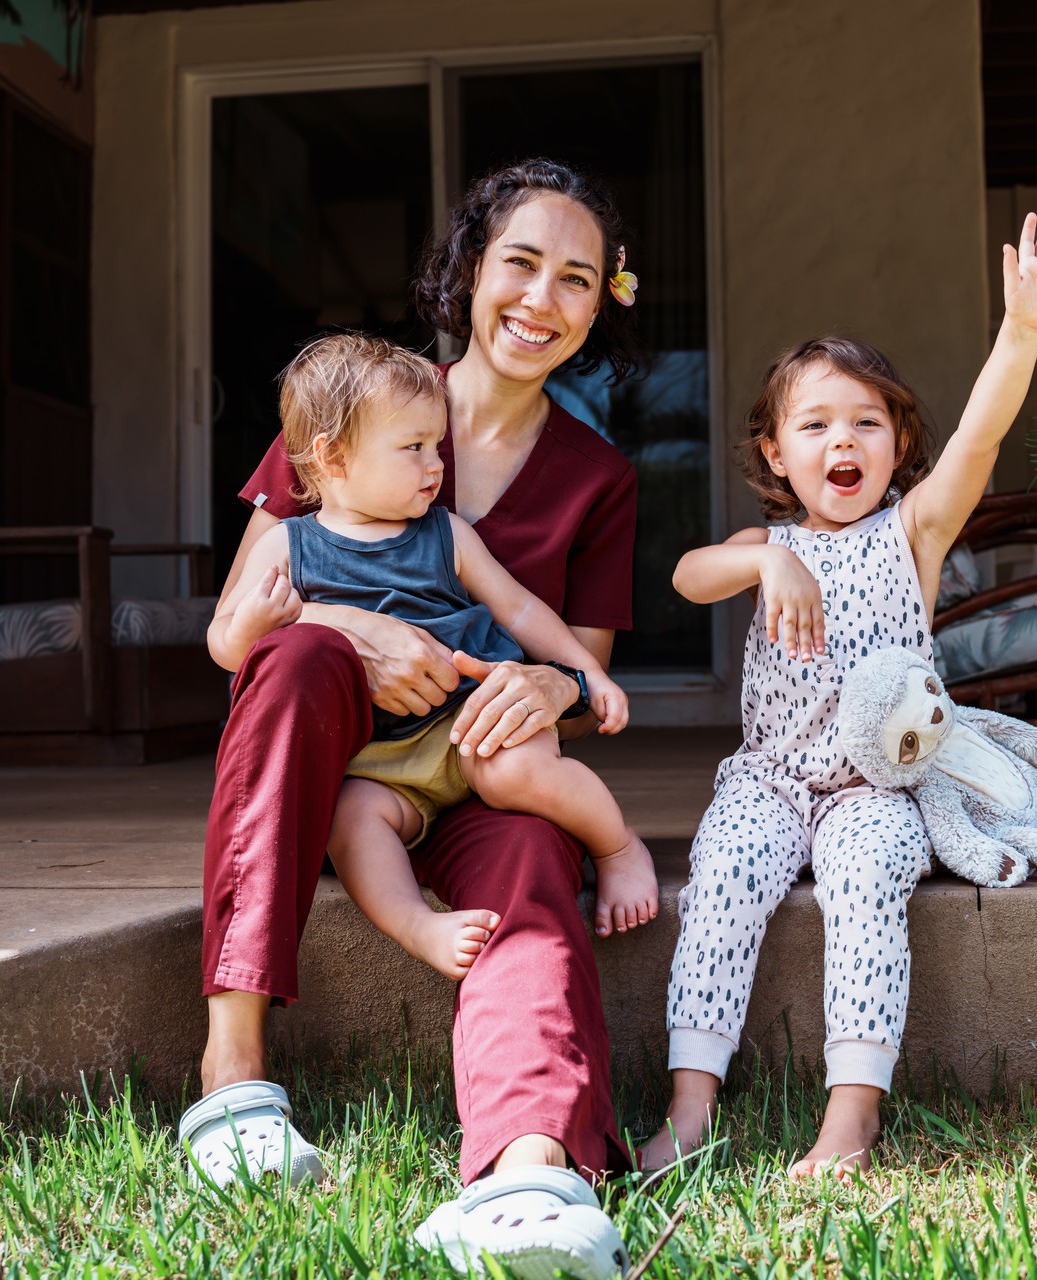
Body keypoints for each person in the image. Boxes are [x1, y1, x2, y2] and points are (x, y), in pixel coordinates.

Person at [181, 159, 644, 1280]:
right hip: (334, 771)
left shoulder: (599, 477)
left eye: (576, 280)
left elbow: (583, 676)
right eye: (521, 263)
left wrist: (554, 686)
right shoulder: (347, 402)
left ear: (600, 303)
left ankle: (530, 1170)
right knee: (300, 654)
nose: (542, 300)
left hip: (479, 764)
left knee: (535, 849)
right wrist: (357, 629)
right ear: (470, 269)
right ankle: (233, 1078)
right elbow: (240, 626)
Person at [640, 213, 1037, 1179]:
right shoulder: (766, 547)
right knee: (721, 882)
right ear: (774, 455)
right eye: (815, 424)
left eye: (866, 422)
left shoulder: (912, 536)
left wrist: (1021, 330)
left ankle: (852, 1113)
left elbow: (982, 436)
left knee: (865, 887)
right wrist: (767, 564)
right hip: (768, 779)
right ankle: (689, 1104)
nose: (841, 440)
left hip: (876, 792)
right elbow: (684, 575)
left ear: (897, 445)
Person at [211, 332, 658, 978]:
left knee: (514, 771)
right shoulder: (286, 547)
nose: (435, 466)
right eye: (413, 448)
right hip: (373, 760)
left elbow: (521, 609)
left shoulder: (446, 534)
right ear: (332, 458)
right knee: (353, 821)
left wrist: (586, 674)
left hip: (467, 724)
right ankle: (418, 927)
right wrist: (250, 625)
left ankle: (616, 845)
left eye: (436, 445)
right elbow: (228, 646)